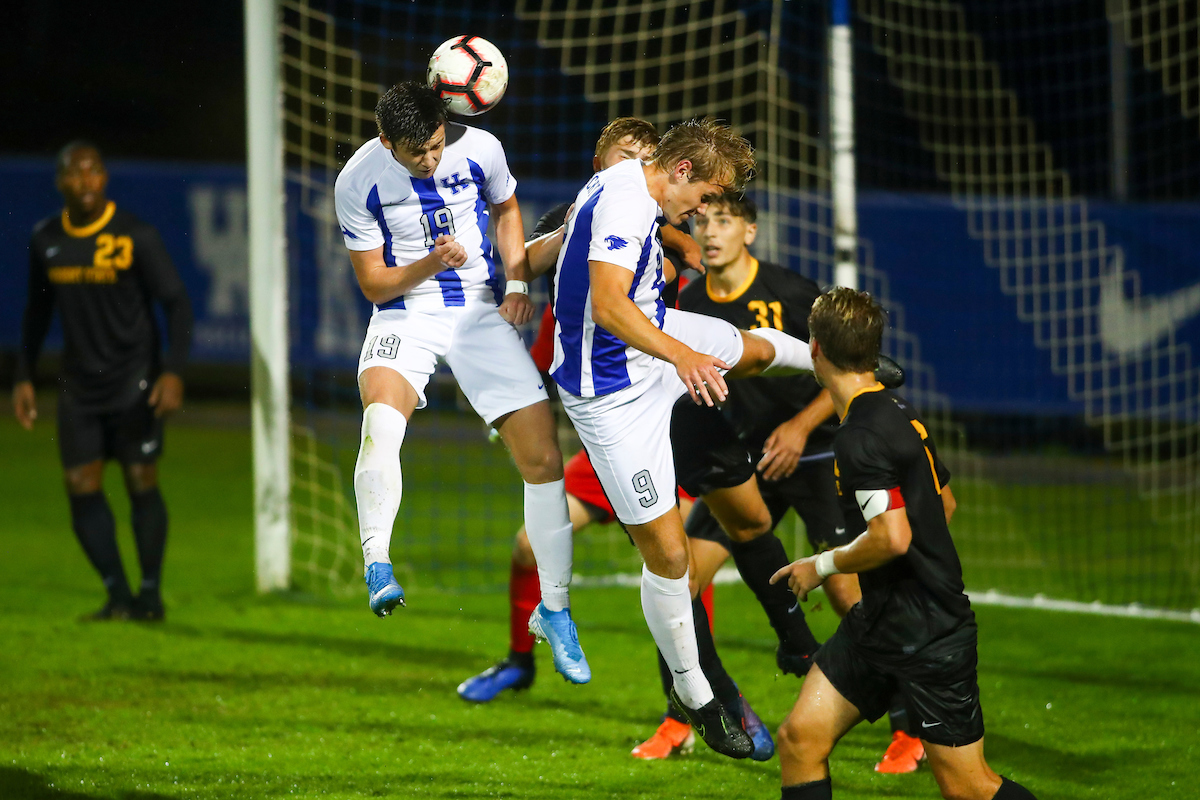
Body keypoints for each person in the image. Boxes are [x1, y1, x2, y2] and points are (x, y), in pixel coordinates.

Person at [550, 118, 821, 759]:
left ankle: (838, 364)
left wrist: (679, 245)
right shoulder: (622, 199)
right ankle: (695, 697)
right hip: (613, 396)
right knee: (670, 558)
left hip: (651, 342)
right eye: (701, 198)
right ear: (678, 172)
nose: (702, 213)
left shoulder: (631, 183)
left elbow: (632, 246)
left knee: (750, 350)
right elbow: (611, 305)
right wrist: (681, 357)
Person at [651, 195, 926, 775]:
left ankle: (909, 725)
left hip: (814, 456)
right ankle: (687, 715)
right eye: (701, 221)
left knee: (847, 588)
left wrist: (800, 429)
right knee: (681, 579)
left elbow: (849, 367)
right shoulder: (690, 303)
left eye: (723, 221)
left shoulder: (793, 292)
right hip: (746, 462)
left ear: (749, 230)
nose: (711, 232)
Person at [333, 82, 587, 685]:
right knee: (381, 425)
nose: (431, 158)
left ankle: (555, 609)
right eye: (416, 151)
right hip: (405, 314)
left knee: (545, 458)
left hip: (476, 312)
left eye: (437, 144)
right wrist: (431, 263)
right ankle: (376, 563)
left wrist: (519, 285)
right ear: (385, 140)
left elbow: (506, 211)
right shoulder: (357, 181)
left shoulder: (482, 149)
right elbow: (373, 285)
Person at [770, 288, 1037, 800]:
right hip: (881, 621)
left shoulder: (860, 437)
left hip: (931, 634)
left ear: (816, 349)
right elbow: (947, 504)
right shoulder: (898, 409)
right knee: (800, 739)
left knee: (969, 788)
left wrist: (820, 565)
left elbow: (892, 538)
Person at [13, 141, 193, 622]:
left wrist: (172, 372)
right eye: (74, 173)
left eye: (93, 171)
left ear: (104, 178)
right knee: (80, 484)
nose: (85, 180)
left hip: (135, 380)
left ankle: (150, 595)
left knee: (140, 480)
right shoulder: (46, 238)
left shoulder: (135, 234)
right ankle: (117, 594)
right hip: (78, 387)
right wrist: (23, 377)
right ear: (60, 182)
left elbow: (176, 303)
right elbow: (36, 312)